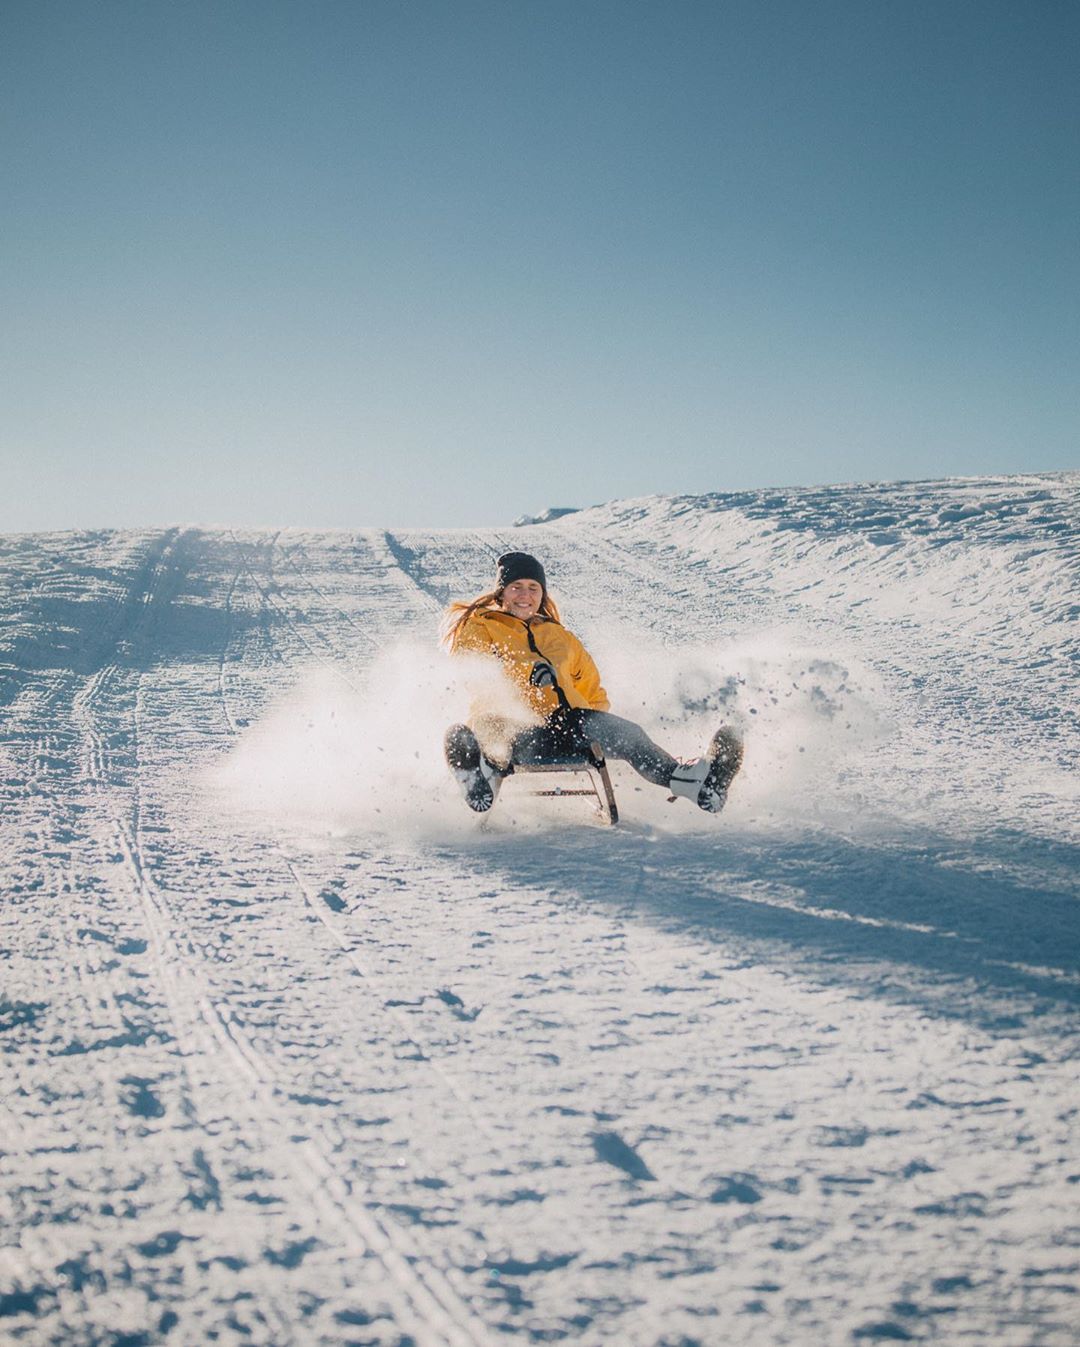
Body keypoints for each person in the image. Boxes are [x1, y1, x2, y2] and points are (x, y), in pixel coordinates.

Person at [440, 551, 743, 815]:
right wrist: (526, 675)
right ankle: (481, 774)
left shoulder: (561, 636)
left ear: (542, 594)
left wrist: (596, 723)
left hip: (565, 725)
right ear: (501, 594)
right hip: (512, 726)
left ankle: (696, 784)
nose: (525, 594)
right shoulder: (481, 627)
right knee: (493, 732)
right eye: (516, 587)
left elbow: (592, 689)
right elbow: (473, 670)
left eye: (533, 588)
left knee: (630, 734)